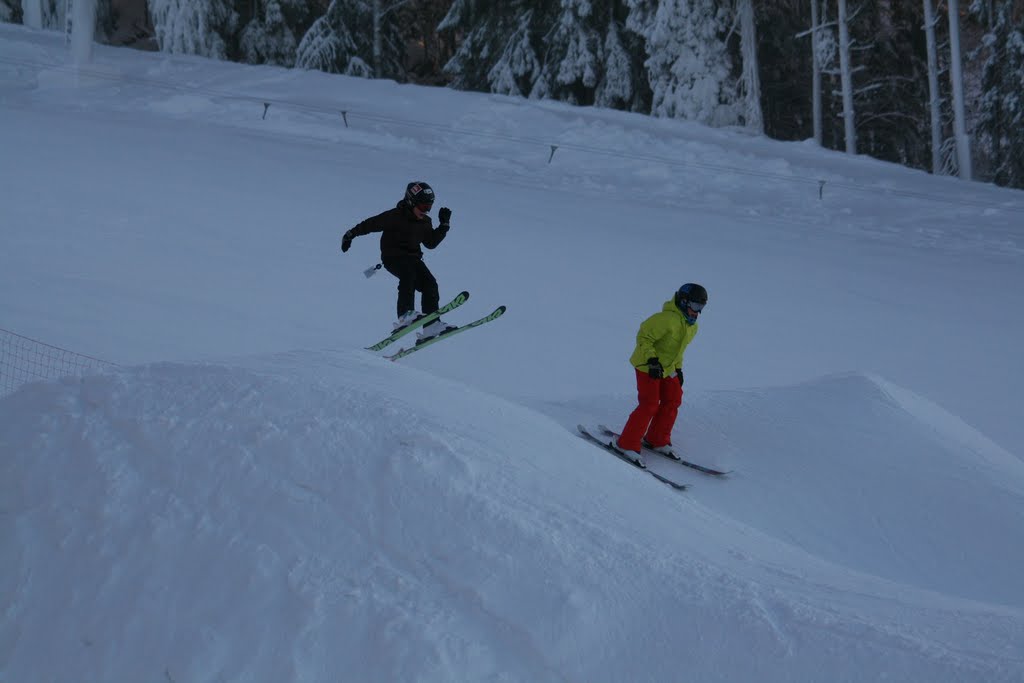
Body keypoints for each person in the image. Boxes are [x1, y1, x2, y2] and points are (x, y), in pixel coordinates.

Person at [341, 181, 455, 339]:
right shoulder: (394, 216)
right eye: (423, 207)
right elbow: (369, 224)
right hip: (393, 257)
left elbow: (430, 243)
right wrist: (350, 235)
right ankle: (405, 316)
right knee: (408, 275)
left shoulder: (425, 222)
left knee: (430, 284)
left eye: (429, 208)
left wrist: (444, 225)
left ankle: (432, 326)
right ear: (410, 202)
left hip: (414, 259)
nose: (425, 211)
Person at [615, 283, 708, 457]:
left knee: (673, 399)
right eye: (695, 306)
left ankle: (657, 439)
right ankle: (626, 444)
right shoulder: (665, 319)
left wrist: (678, 370)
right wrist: (652, 360)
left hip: (667, 368)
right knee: (650, 404)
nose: (698, 312)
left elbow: (677, 351)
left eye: (702, 307)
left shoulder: (691, 327)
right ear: (684, 302)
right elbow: (644, 337)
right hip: (647, 365)